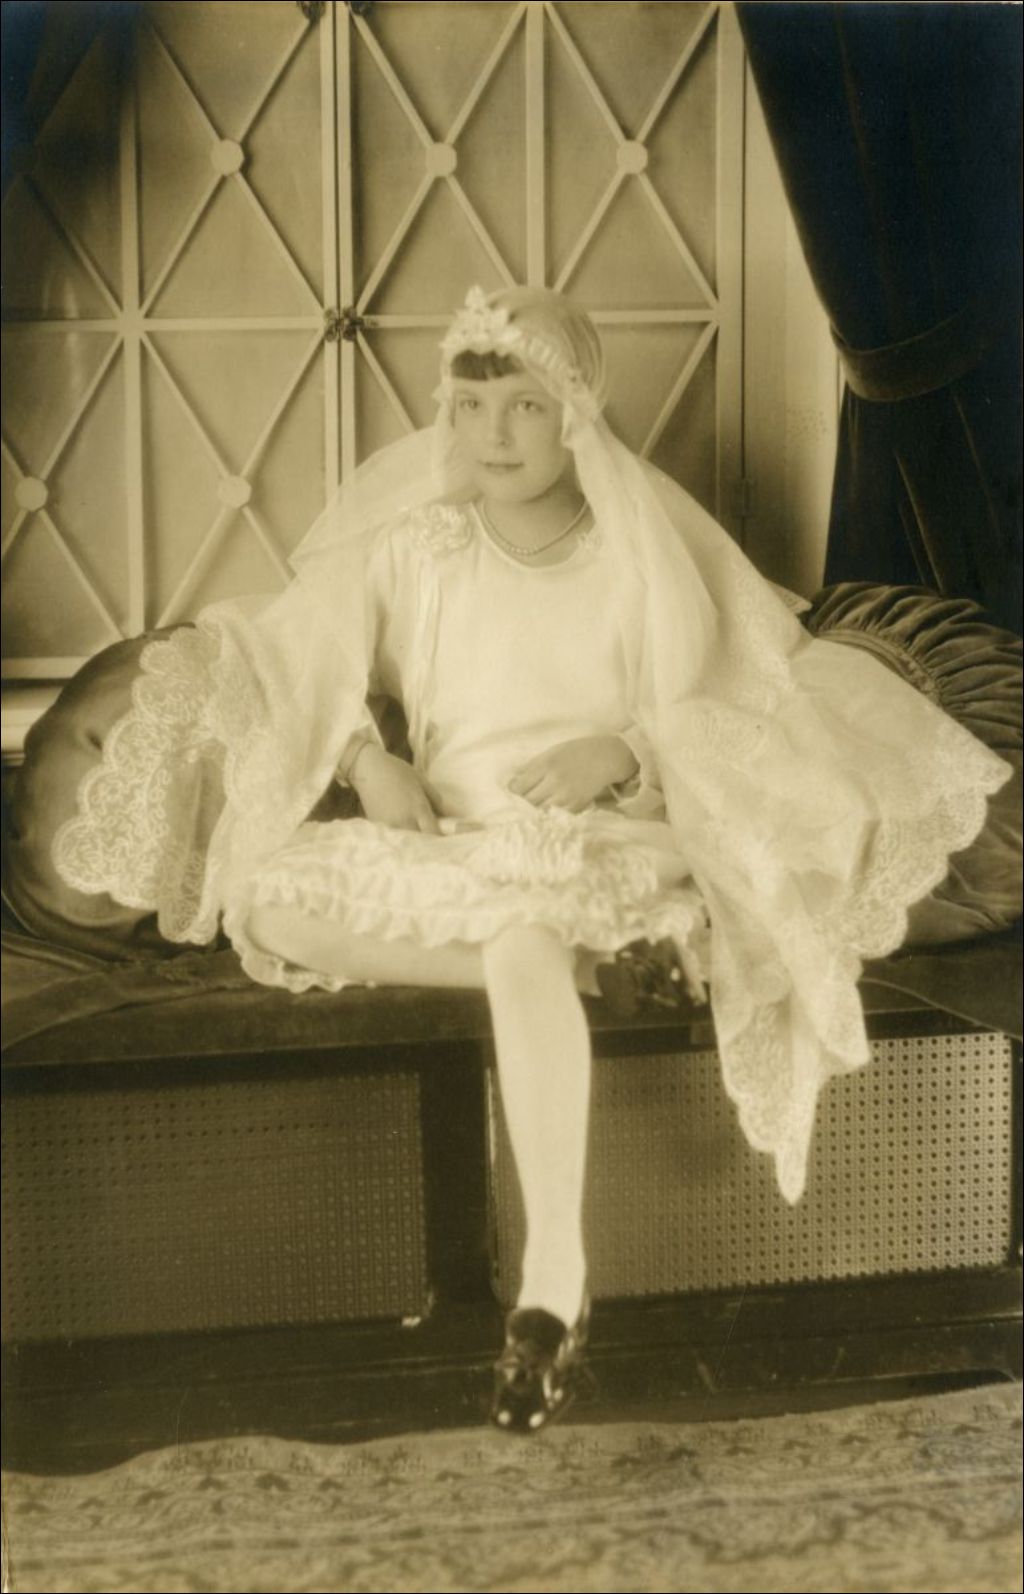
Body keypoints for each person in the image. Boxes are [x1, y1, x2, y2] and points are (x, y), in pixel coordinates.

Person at [53, 285, 1010, 1434]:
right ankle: (605, 967)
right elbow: (285, 654)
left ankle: (553, 1276)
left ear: (575, 414)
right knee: (265, 895)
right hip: (460, 852)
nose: (492, 435)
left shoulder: (636, 555)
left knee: (523, 928)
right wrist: (366, 760)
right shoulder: (420, 545)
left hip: (602, 844)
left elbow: (737, 700)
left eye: (522, 406)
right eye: (469, 407)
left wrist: (625, 747)